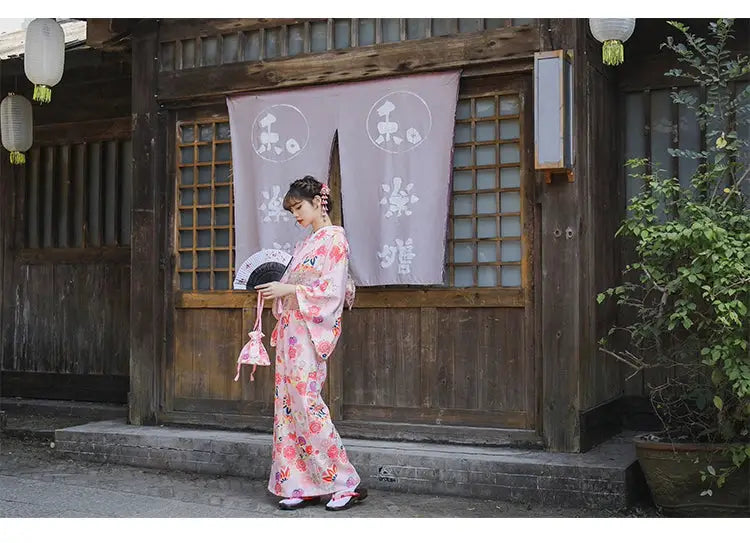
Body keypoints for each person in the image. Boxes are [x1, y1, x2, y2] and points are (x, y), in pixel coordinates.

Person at [254, 175, 366, 512]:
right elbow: (292, 285)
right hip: (291, 329)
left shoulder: (334, 240)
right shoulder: (306, 244)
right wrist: (277, 291)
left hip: (308, 331)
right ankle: (300, 483)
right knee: (287, 406)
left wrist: (289, 290)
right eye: (292, 212)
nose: (296, 216)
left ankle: (345, 481)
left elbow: (332, 291)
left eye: (299, 207)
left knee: (308, 403)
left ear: (319, 202)